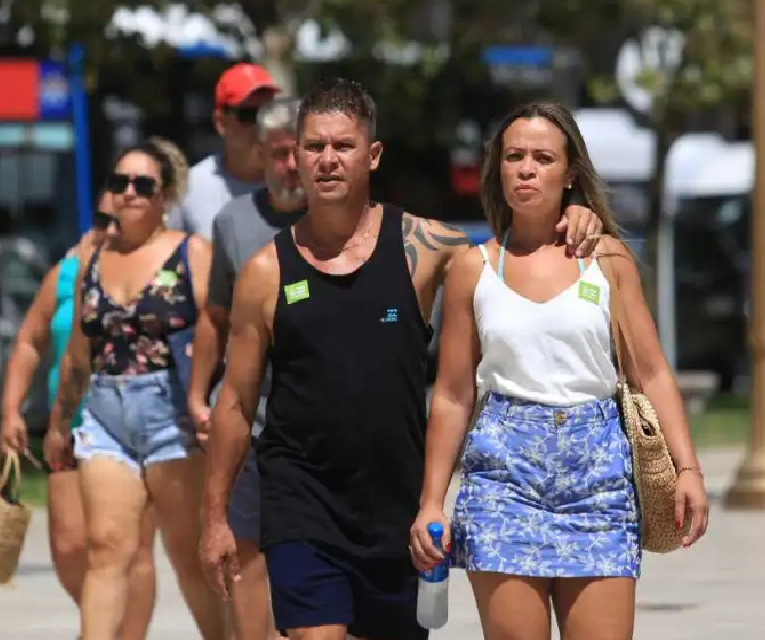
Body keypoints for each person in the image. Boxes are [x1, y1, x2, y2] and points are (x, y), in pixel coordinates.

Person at [199, 78, 604, 640]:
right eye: (314, 146)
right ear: (296, 153)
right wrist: (216, 517)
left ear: (373, 155)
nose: (326, 160)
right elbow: (237, 404)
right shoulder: (265, 273)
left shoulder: (427, 247)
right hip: (300, 499)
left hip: (396, 504)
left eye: (343, 146)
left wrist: (576, 215)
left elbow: (518, 255)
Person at [409, 101, 710, 640]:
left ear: (569, 172)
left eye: (543, 157)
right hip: (503, 479)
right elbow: (453, 395)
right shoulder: (473, 269)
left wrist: (688, 469)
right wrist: (432, 499)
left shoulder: (607, 259)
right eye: (514, 156)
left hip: (598, 479)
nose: (526, 168)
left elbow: (652, 374)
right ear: (497, 168)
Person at [44, 138, 224, 640]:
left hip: (171, 414)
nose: (129, 193)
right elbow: (79, 351)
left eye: (142, 184)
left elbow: (216, 323)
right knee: (106, 548)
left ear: (165, 194)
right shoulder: (93, 260)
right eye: (119, 183)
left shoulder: (192, 253)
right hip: (104, 414)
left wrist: (199, 395)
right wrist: (60, 422)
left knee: (189, 554)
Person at [0, 191, 158, 640]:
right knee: (69, 548)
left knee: (127, 549)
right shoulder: (66, 272)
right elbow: (29, 341)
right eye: (102, 219)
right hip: (67, 429)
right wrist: (11, 410)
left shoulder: (155, 271)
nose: (109, 229)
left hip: (132, 430)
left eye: (118, 219)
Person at [189, 97, 304, 640]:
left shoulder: (342, 221)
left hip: (319, 428)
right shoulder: (233, 222)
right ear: (260, 154)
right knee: (248, 555)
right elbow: (214, 317)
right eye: (278, 154)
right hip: (253, 423)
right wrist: (198, 394)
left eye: (296, 153)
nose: (289, 166)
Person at [170, 62, 280, 240]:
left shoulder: (296, 182)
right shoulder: (190, 186)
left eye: (268, 113)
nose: (262, 125)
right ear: (221, 123)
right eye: (248, 115)